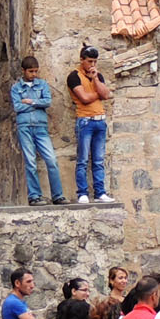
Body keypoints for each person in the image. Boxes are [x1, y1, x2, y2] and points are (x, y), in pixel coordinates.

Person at [9, 55, 67, 206]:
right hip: (25, 127)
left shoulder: (42, 84)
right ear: (23, 71)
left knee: (52, 160)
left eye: (35, 71)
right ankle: (34, 196)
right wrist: (37, 104)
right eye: (31, 71)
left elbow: (47, 102)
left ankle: (58, 195)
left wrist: (31, 101)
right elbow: (17, 107)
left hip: (41, 127)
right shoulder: (16, 88)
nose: (34, 74)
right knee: (31, 162)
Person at [69, 43, 114, 204]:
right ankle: (82, 193)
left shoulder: (98, 76)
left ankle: (100, 192)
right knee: (82, 159)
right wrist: (99, 94)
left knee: (98, 160)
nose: (92, 65)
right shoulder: (74, 76)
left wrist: (95, 79)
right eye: (89, 61)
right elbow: (85, 98)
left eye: (95, 62)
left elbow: (106, 94)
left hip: (100, 121)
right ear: (82, 60)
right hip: (85, 121)